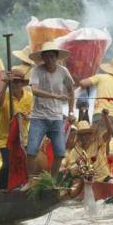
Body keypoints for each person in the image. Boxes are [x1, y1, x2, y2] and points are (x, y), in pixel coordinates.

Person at [26, 42, 75, 184]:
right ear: (43, 58)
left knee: (60, 153)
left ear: (56, 57)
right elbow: (34, 90)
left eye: (52, 57)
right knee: (31, 150)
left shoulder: (63, 71)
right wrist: (55, 96)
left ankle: (52, 181)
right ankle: (30, 179)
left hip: (56, 118)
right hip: (39, 117)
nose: (49, 60)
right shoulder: (37, 70)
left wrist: (71, 111)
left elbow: (71, 90)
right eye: (46, 57)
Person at [0, 67, 33, 189]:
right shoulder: (5, 96)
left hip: (22, 138)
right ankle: (0, 190)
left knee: (22, 164)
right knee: (7, 165)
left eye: (18, 82)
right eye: (13, 82)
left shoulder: (30, 97)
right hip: (5, 138)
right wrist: (5, 83)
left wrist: (29, 116)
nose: (16, 84)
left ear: (22, 83)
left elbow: (34, 113)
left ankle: (18, 187)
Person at [78, 57, 113, 134]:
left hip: (100, 116)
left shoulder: (100, 77)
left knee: (99, 143)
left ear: (109, 68)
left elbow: (82, 83)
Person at [63, 110, 113, 182]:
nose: (84, 137)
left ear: (90, 134)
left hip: (104, 177)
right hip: (87, 179)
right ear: (79, 137)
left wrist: (106, 117)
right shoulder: (75, 150)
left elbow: (110, 132)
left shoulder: (98, 142)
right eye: (81, 135)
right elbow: (73, 169)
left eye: (86, 134)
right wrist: (78, 163)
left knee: (111, 182)